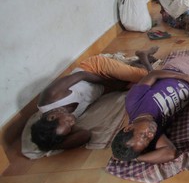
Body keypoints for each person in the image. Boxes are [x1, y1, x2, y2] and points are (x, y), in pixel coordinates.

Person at [30, 48, 158, 151]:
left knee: (149, 78)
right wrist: (54, 144)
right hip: (102, 88)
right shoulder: (60, 125)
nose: (73, 122)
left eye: (67, 122)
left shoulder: (51, 96)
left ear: (51, 117)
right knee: (139, 86)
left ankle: (143, 57)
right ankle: (135, 64)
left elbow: (81, 75)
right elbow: (85, 135)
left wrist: (112, 84)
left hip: (94, 69)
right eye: (70, 127)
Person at [111, 44, 189, 164]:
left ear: (129, 128)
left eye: (143, 135)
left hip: (178, 70)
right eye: (148, 140)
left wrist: (185, 77)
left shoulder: (133, 102)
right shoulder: (154, 131)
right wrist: (135, 158)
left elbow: (153, 74)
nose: (150, 134)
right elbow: (170, 153)